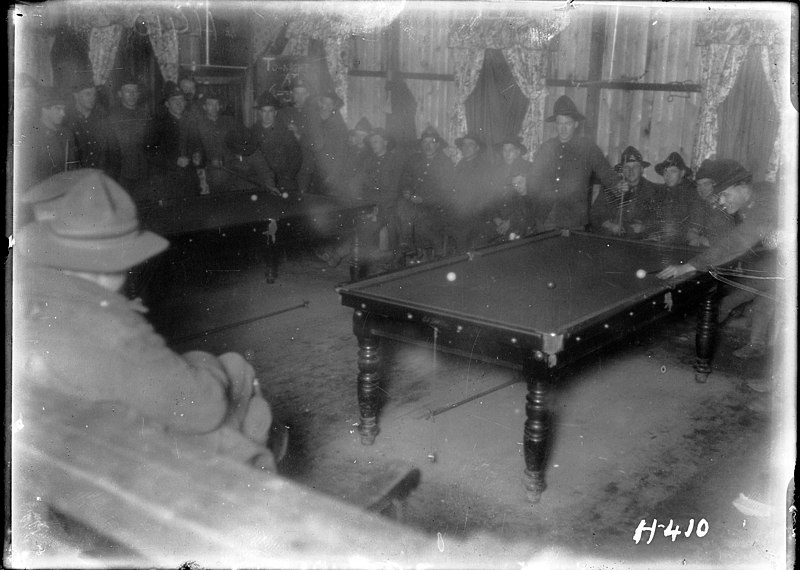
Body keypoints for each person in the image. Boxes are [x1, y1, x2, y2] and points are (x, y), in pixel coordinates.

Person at [14, 169, 286, 471]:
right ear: (111, 266)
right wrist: (210, 369)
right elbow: (202, 410)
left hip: (59, 432)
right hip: (120, 456)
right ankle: (259, 470)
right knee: (236, 376)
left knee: (224, 367)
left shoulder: (27, 290)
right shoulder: (113, 326)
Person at [657, 161, 781, 359]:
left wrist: (691, 265)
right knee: (764, 299)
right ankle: (757, 346)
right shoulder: (750, 198)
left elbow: (738, 241)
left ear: (742, 187)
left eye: (725, 194)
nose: (721, 201)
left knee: (735, 300)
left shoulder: (766, 201)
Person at [527, 95, 620, 231]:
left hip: (573, 219)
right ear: (555, 125)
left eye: (568, 123)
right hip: (545, 216)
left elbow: (604, 171)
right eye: (560, 123)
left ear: (576, 124)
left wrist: (617, 184)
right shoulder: (546, 148)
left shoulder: (587, 148)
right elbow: (534, 178)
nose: (563, 129)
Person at [396, 126, 454, 261]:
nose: (428, 146)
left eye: (432, 142)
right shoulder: (414, 159)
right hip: (414, 202)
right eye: (425, 142)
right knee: (401, 208)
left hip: (436, 205)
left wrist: (424, 199)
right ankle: (408, 246)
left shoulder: (445, 163)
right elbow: (406, 178)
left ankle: (436, 252)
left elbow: (446, 191)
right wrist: (406, 190)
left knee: (422, 220)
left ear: (438, 145)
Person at [15, 86, 78, 200]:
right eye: (58, 109)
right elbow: (26, 176)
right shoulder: (30, 136)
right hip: (40, 197)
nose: (63, 113)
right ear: (44, 109)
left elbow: (72, 168)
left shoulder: (67, 134)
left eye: (63, 109)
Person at [591, 146, 660, 238]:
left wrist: (644, 227)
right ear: (622, 170)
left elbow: (660, 221)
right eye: (627, 167)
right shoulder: (610, 187)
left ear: (642, 169)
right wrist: (610, 226)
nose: (631, 171)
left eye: (635, 167)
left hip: (639, 244)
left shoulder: (653, 191)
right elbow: (595, 215)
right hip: (612, 241)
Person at [148, 81, 202, 199]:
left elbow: (198, 146)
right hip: (167, 181)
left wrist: (198, 155)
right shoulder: (157, 124)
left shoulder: (191, 122)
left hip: (189, 180)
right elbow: (150, 153)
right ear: (167, 104)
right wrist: (174, 161)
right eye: (174, 100)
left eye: (181, 99)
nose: (179, 103)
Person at [64, 72, 121, 180]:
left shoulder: (103, 121)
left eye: (94, 94)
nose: (92, 98)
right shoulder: (67, 122)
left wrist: (109, 179)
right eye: (87, 94)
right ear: (76, 96)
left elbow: (115, 155)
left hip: (101, 181)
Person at [359, 128, 405, 259]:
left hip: (390, 203)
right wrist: (369, 206)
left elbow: (394, 190)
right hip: (372, 203)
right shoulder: (368, 161)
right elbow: (365, 188)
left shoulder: (395, 161)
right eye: (371, 142)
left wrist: (378, 208)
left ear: (385, 142)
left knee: (388, 220)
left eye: (376, 141)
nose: (373, 145)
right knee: (360, 223)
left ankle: (394, 257)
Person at [442, 132, 492, 253]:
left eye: (470, 145)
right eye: (464, 145)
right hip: (459, 214)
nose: (466, 148)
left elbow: (484, 196)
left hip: (475, 215)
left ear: (477, 148)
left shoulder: (484, 167)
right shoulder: (461, 164)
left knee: (463, 243)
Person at [107, 77, 153, 201]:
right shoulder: (112, 117)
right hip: (121, 173)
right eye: (128, 91)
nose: (132, 95)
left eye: (135, 91)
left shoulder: (145, 115)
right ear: (120, 94)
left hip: (143, 171)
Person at [251, 91, 302, 196]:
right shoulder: (253, 132)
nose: (267, 115)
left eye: (270, 111)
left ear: (275, 112)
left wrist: (287, 176)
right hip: (262, 181)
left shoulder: (285, 132)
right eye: (264, 111)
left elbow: (296, 156)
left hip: (284, 180)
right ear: (259, 113)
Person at [487, 137, 535, 242]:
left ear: (518, 152)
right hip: (498, 220)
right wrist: (497, 219)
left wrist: (510, 221)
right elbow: (490, 196)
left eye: (511, 150)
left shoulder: (528, 168)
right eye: (504, 150)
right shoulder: (495, 170)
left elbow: (529, 200)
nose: (507, 154)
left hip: (520, 220)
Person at [192, 89, 239, 193]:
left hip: (231, 167)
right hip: (210, 169)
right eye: (210, 104)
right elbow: (196, 149)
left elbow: (238, 142)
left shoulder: (229, 121)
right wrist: (209, 159)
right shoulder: (198, 124)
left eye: (217, 104)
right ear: (204, 107)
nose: (214, 108)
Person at [687, 158, 736, 247]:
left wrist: (703, 240)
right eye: (699, 185)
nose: (702, 189)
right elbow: (692, 230)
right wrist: (696, 238)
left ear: (715, 184)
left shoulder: (725, 204)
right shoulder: (699, 204)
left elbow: (727, 239)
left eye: (706, 184)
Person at [650, 151, 694, 244]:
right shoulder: (661, 192)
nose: (667, 176)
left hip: (682, 246)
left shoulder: (691, 193)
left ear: (682, 173)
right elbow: (653, 219)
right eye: (665, 171)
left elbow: (690, 228)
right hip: (661, 243)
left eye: (673, 171)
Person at [312, 91, 350, 196]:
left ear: (334, 106)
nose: (327, 107)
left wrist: (333, 175)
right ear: (319, 103)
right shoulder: (312, 120)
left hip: (328, 172)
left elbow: (341, 153)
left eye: (331, 104)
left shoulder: (339, 126)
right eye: (325, 103)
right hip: (310, 171)